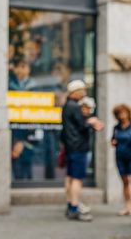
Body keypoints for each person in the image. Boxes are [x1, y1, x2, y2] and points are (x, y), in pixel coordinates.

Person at [61, 80, 103, 221]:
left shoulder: (67, 105)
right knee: (77, 179)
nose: (84, 93)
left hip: (71, 147)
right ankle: (74, 207)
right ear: (76, 92)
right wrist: (91, 122)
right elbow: (81, 126)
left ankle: (71, 205)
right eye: (83, 90)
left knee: (70, 178)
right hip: (78, 147)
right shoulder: (74, 106)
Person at [111, 104, 131, 216]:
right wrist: (113, 142)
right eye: (119, 114)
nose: (122, 116)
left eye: (124, 113)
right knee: (125, 182)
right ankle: (127, 205)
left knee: (130, 181)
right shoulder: (116, 128)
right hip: (120, 157)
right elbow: (112, 140)